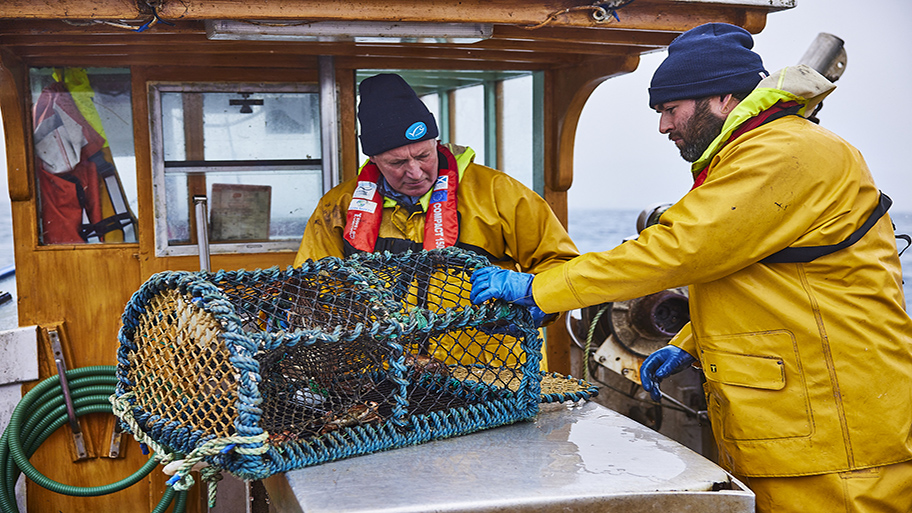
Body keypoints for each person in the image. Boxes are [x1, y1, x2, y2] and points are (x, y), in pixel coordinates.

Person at [470, 23, 912, 512]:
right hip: (797, 431)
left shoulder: (784, 152)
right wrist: (690, 342)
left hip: (839, 439)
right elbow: (754, 276)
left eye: (669, 109)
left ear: (722, 98)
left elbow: (677, 248)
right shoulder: (755, 152)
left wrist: (539, 289)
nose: (663, 126)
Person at [295, 73, 579, 366]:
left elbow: (561, 264)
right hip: (383, 373)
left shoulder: (499, 193)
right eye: (398, 162)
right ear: (374, 159)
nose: (415, 172)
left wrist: (537, 300)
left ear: (436, 142)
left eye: (423, 155)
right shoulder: (337, 207)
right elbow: (310, 287)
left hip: (495, 371)